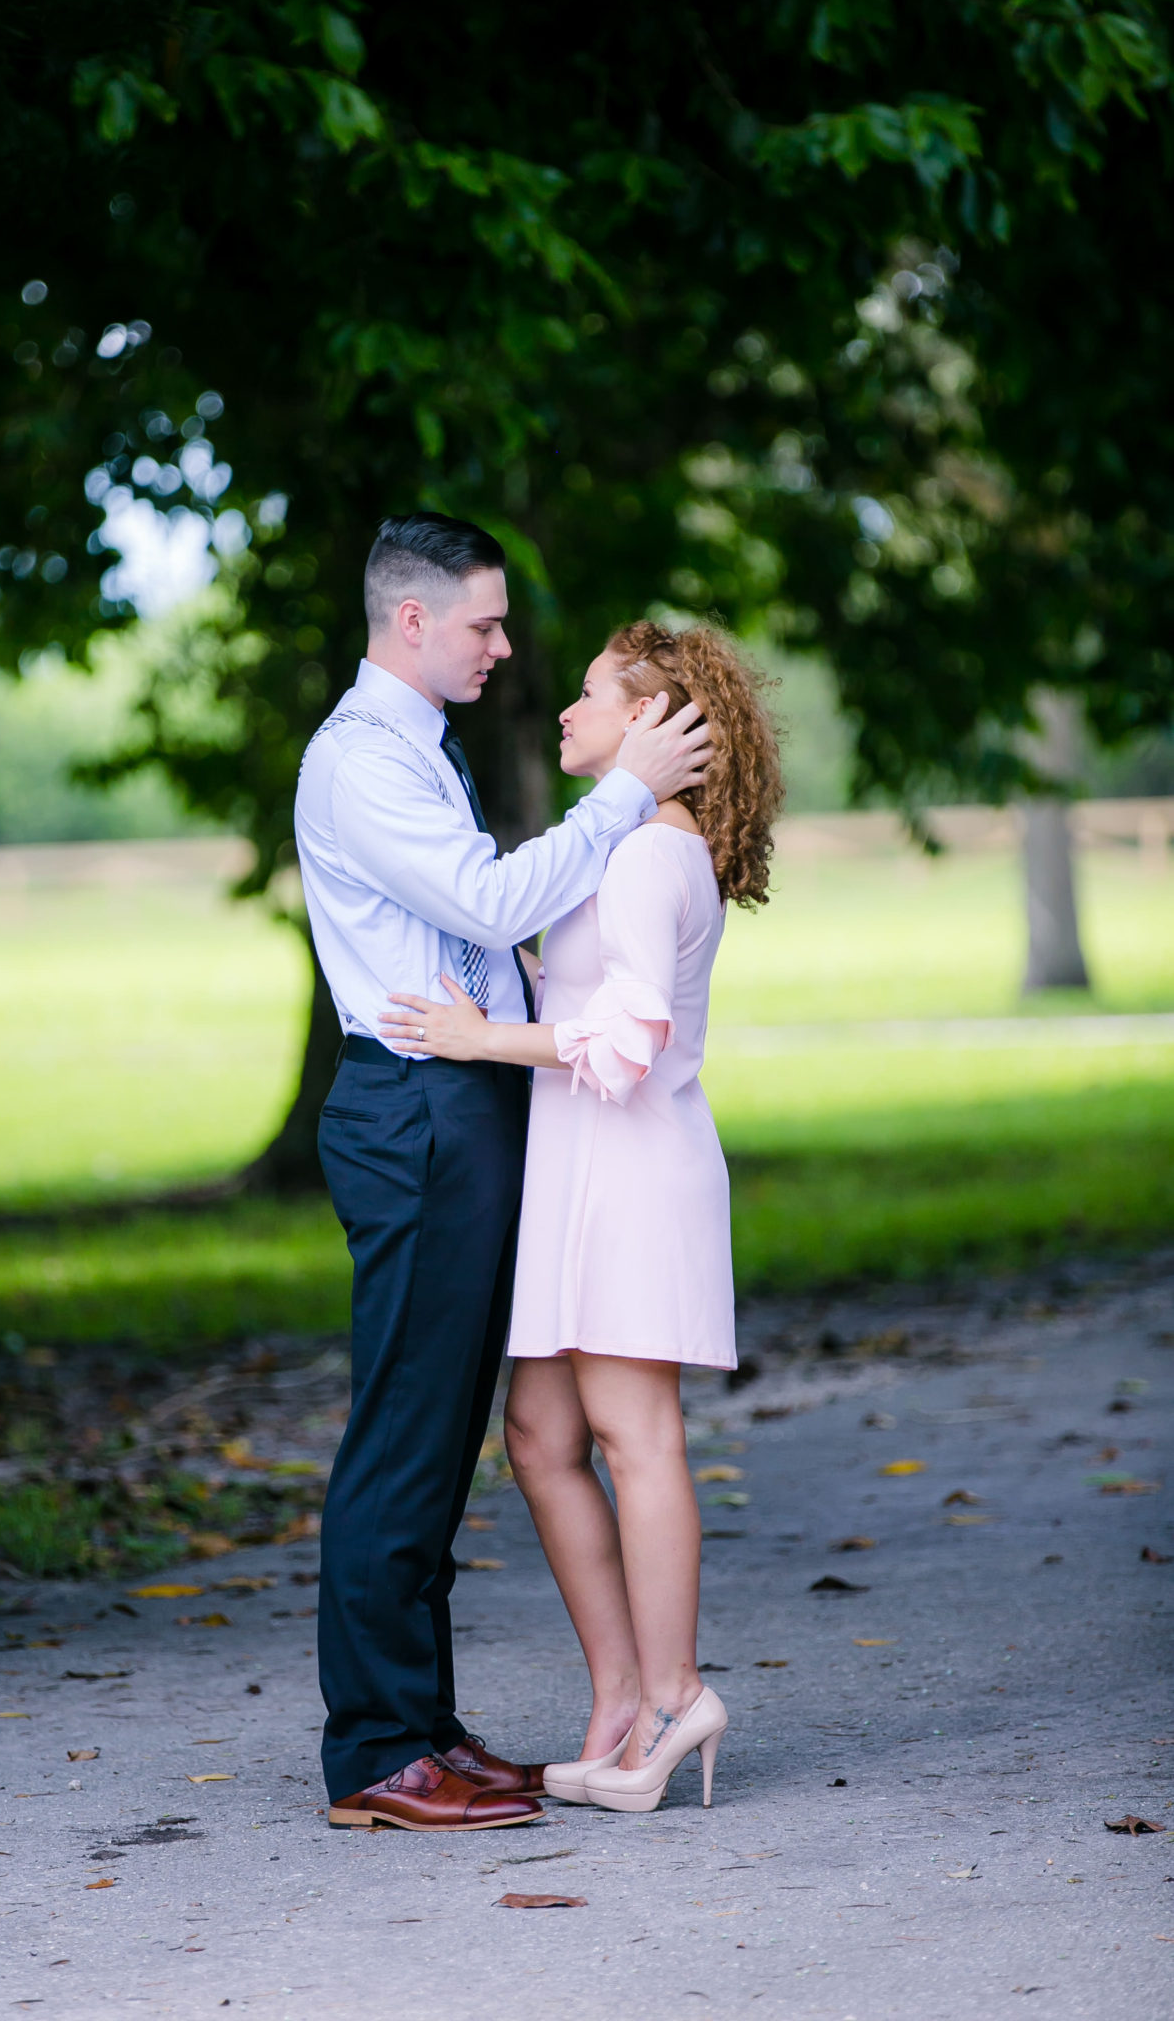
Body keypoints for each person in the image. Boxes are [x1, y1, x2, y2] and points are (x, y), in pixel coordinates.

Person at [294, 517, 714, 1832]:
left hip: (466, 1100)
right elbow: (486, 904)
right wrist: (629, 791)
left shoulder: (420, 749)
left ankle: (420, 1724)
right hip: (415, 1106)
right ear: (409, 621)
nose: (503, 645)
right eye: (482, 623)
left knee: (439, 1436)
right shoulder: (363, 761)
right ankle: (375, 1748)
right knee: (404, 1437)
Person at [383, 618, 783, 1814]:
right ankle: (617, 1696)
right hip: (581, 1168)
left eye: (595, 696)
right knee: (544, 1434)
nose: (564, 710)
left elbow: (630, 1036)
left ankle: (673, 1698)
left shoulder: (655, 857)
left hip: (633, 1169)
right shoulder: (624, 850)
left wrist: (479, 1038)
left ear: (654, 724)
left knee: (631, 1428)